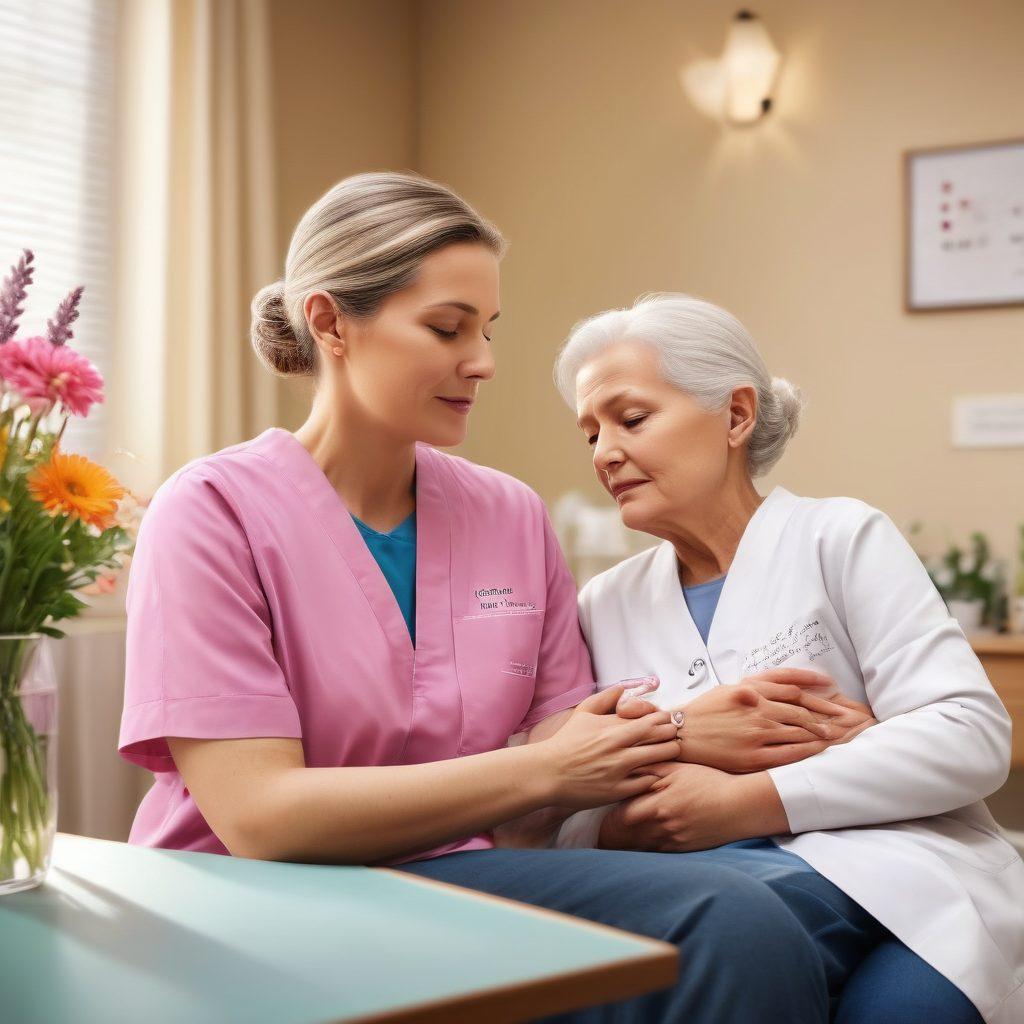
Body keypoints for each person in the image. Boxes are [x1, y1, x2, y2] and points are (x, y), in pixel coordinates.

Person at [118, 173, 863, 1023]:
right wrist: (548, 765)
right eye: (446, 328)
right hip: (250, 898)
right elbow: (262, 817)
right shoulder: (212, 512)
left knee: (760, 903)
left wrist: (688, 729)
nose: (484, 362)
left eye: (486, 329)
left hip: (450, 876)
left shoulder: (507, 513)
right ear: (330, 324)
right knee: (727, 918)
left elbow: (563, 733)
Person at [550, 292, 1024, 1024]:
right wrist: (622, 825)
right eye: (589, 434)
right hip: (708, 890)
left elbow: (968, 735)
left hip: (912, 878)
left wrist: (739, 799)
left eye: (631, 418)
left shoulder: (838, 537)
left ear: (735, 415)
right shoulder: (602, 603)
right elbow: (568, 804)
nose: (604, 452)